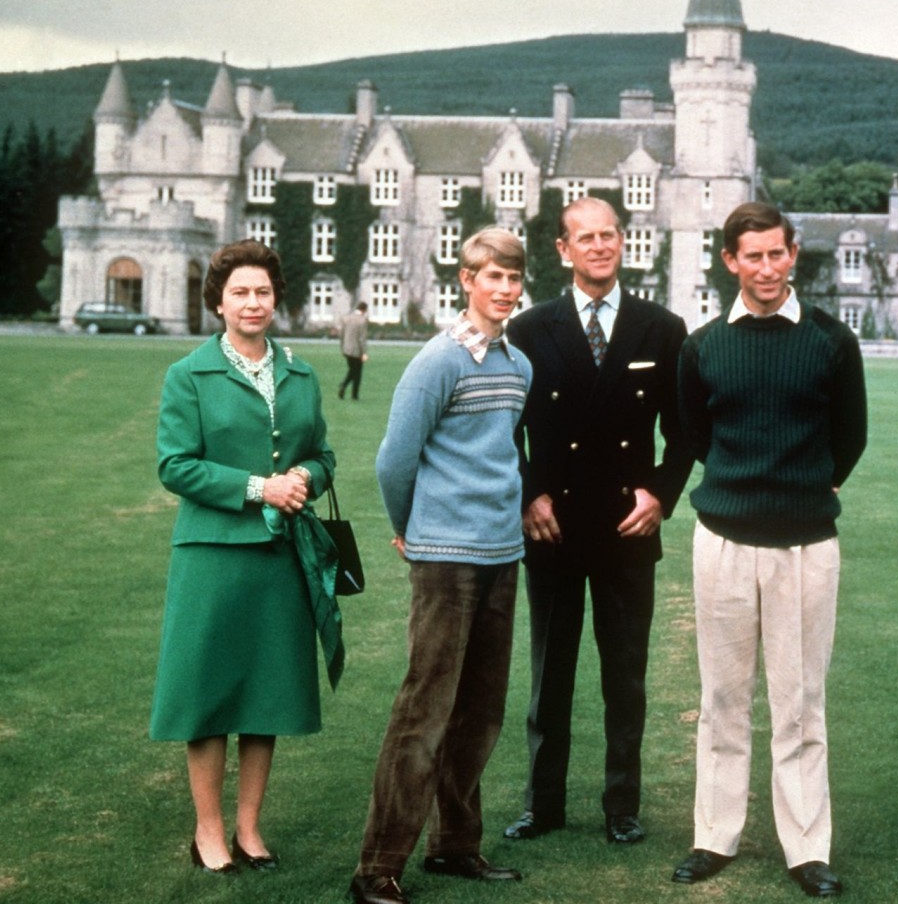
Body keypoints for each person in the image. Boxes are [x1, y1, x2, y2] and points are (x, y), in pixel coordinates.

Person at [672, 201, 867, 898]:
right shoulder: (702, 346)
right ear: (730, 261)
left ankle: (806, 847)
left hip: (807, 545)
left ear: (793, 255)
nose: (765, 268)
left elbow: (850, 438)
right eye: (750, 256)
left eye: (776, 254)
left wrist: (802, 489)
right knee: (723, 697)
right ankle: (714, 836)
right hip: (722, 539)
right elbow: (698, 435)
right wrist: (744, 488)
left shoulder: (831, 342)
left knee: (800, 701)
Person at [349, 228, 532, 904]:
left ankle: (455, 847)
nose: (505, 290)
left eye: (514, 279)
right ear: (467, 279)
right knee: (424, 709)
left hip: (501, 554)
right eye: (493, 277)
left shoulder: (519, 366)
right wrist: (409, 531)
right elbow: (394, 462)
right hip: (444, 561)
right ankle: (378, 866)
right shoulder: (436, 363)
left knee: (480, 711)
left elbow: (500, 454)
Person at [501, 196, 691, 846]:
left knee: (625, 677)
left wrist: (661, 495)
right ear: (563, 249)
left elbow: (687, 431)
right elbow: (506, 429)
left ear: (623, 242)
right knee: (549, 675)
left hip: (626, 528)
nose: (600, 246)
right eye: (585, 237)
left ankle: (622, 806)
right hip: (551, 529)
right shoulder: (529, 330)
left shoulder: (661, 328)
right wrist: (529, 494)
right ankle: (542, 804)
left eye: (609, 235)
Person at [152, 238, 343, 875]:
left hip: (280, 556)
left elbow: (323, 456)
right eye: (240, 293)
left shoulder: (301, 372)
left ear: (275, 298)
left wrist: (305, 480)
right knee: (207, 695)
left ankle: (249, 829)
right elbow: (175, 465)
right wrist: (261, 487)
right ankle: (208, 831)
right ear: (219, 302)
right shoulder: (189, 374)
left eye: (262, 292)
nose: (253, 303)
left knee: (268, 694)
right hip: (212, 555)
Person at [339, 302, 370, 400]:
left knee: (352, 370)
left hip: (347, 349)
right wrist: (364, 352)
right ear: (364, 310)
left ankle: (344, 386)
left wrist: (342, 348)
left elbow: (342, 335)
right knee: (357, 373)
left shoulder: (346, 318)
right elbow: (362, 338)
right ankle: (353, 394)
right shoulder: (362, 321)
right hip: (357, 350)